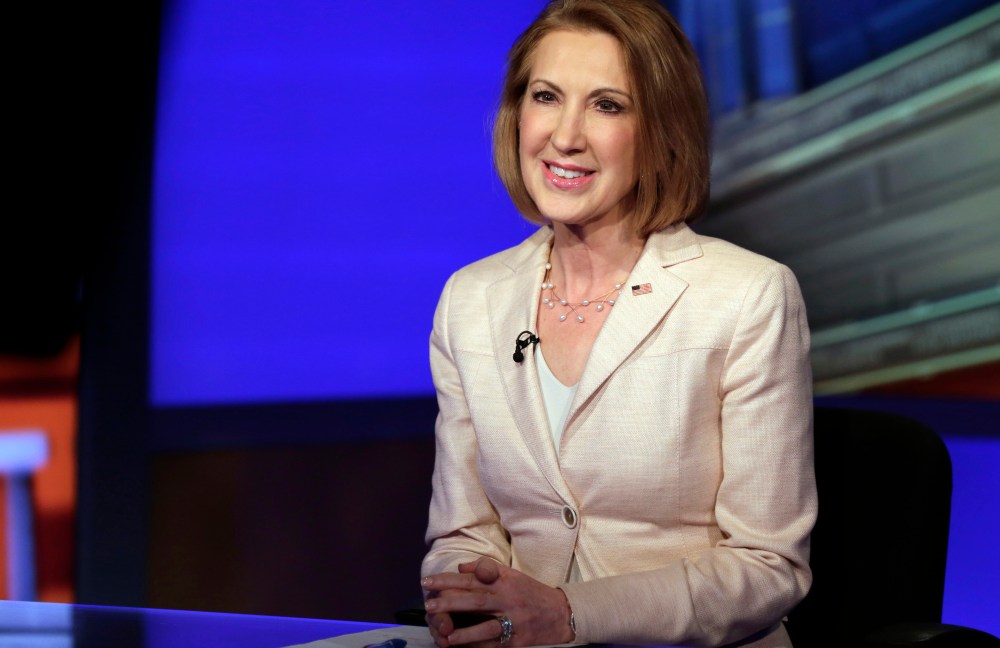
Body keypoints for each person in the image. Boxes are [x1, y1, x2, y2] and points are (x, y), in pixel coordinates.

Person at [419, 1, 816, 646]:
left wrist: (570, 613)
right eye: (546, 96)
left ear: (660, 130)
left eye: (607, 105)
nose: (565, 136)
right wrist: (463, 596)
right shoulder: (471, 300)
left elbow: (768, 566)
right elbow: (461, 533)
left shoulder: (748, 296)